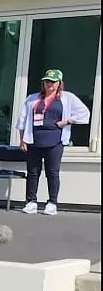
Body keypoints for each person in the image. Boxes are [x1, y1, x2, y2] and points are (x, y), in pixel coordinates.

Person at [16, 68, 91, 215]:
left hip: (55, 140)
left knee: (52, 172)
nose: (49, 85)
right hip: (34, 139)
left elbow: (84, 113)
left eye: (53, 82)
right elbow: (22, 120)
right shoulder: (33, 98)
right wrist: (22, 140)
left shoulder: (67, 98)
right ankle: (31, 201)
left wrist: (67, 121)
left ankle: (52, 202)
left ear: (59, 83)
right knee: (32, 172)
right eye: (47, 82)